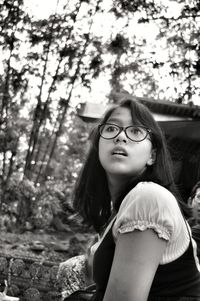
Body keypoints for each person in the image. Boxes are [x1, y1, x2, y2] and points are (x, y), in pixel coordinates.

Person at [68, 97, 200, 301]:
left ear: (152, 156)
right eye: (111, 129)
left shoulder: (148, 198)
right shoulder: (121, 207)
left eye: (136, 131)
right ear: (98, 145)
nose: (121, 137)